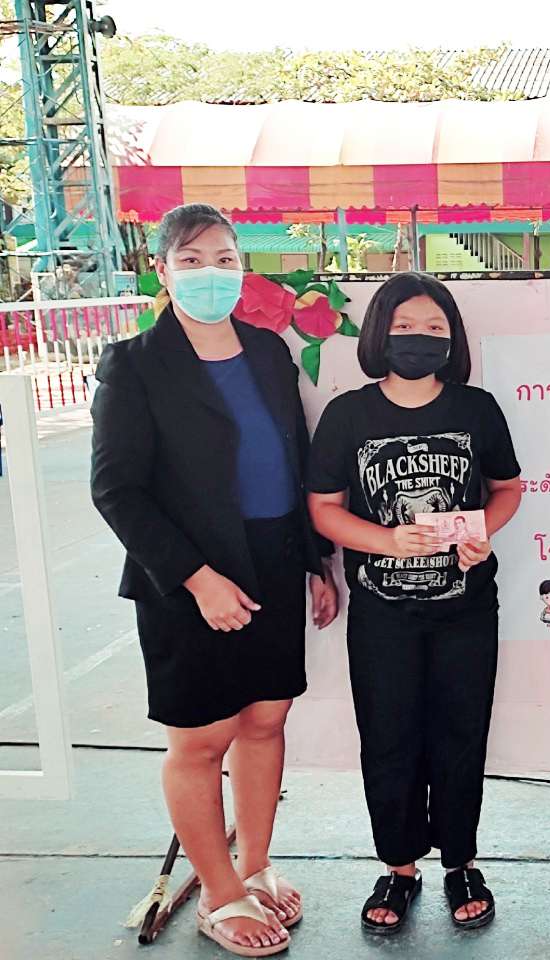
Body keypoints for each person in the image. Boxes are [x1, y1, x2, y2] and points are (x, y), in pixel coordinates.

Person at [90, 203, 339, 958]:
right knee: (201, 739)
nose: (210, 274)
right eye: (191, 260)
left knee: (265, 721)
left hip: (275, 558)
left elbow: (292, 460)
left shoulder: (267, 351)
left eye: (225, 259)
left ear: (242, 268)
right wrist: (198, 581)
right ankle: (219, 893)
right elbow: (117, 490)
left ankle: (254, 865)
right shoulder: (134, 365)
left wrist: (314, 563)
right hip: (186, 576)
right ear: (162, 272)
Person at [306, 271, 522, 935]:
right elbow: (323, 508)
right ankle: (399, 868)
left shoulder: (476, 409)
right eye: (405, 327)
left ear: (453, 340)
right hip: (382, 614)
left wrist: (481, 535)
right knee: (389, 738)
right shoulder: (348, 415)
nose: (419, 338)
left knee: (461, 734)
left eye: (434, 328)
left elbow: (508, 488)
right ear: (380, 334)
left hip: (466, 610)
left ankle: (461, 862)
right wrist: (386, 541)